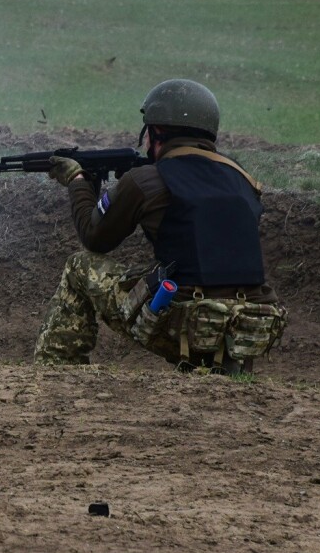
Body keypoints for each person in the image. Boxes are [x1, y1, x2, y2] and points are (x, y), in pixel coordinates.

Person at [33, 78, 286, 374]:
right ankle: (222, 369)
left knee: (80, 266)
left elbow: (95, 238)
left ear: (157, 132)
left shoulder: (146, 181)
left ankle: (56, 371)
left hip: (182, 325)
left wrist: (77, 182)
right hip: (246, 328)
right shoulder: (243, 180)